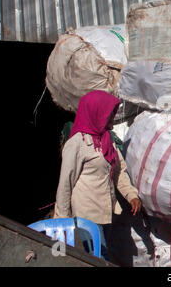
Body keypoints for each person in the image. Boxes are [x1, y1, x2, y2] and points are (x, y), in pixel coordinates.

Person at [54, 90, 141, 260]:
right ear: (96, 112)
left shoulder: (107, 140)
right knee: (100, 257)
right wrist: (61, 221)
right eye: (109, 114)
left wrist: (131, 195)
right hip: (86, 213)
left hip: (105, 212)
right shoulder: (77, 144)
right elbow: (65, 184)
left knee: (99, 255)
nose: (112, 119)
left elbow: (118, 172)